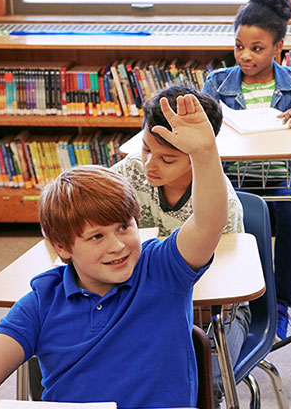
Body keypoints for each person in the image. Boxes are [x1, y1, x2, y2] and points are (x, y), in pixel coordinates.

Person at [0, 93, 228, 409]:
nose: (117, 245)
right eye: (96, 237)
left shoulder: (161, 269)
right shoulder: (42, 301)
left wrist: (203, 153)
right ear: (63, 248)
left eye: (124, 227)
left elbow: (207, 224)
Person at [110, 84, 245, 400]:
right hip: (139, 301)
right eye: (145, 149)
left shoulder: (219, 202)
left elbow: (227, 292)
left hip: (214, 311)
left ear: (196, 156)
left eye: (167, 159)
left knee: (203, 385)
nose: (149, 165)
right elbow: (86, 212)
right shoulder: (131, 172)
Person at [203, 0, 291, 339]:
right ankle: (247, 304)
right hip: (232, 181)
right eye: (239, 46)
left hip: (282, 178)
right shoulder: (216, 83)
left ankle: (279, 305)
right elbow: (204, 131)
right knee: (244, 215)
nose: (245, 56)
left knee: (289, 217)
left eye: (257, 48)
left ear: (278, 48)